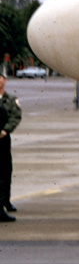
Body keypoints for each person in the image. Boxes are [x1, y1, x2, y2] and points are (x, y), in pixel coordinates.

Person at [0, 75, 19, 222]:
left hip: (3, 139)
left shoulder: (10, 100)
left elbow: (15, 116)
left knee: (5, 171)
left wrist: (5, 130)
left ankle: (5, 202)